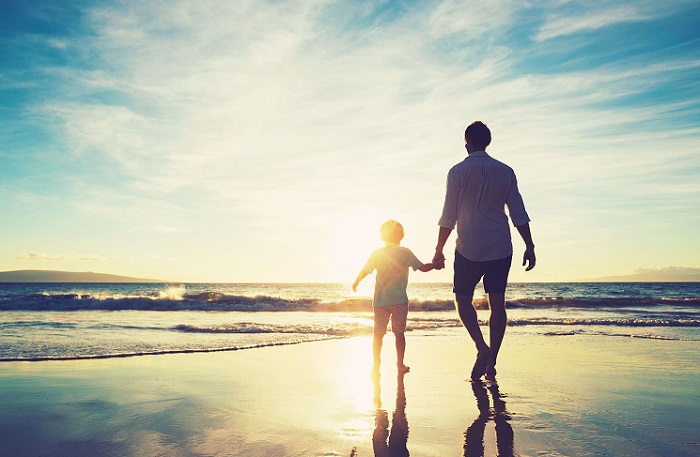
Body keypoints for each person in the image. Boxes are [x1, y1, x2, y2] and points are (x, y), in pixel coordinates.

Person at [433, 121, 535, 382]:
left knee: (462, 300)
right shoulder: (505, 171)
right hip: (500, 246)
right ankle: (492, 363)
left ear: (467, 141)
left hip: (468, 246)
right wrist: (529, 245)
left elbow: (449, 214)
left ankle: (481, 347)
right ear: (487, 142)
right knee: (497, 304)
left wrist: (439, 249)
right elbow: (518, 212)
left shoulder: (457, 171)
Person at [353, 219, 435, 378]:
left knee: (378, 334)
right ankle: (400, 364)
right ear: (400, 236)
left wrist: (356, 282)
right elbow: (422, 267)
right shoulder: (405, 252)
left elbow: (366, 270)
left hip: (381, 301)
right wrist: (435, 264)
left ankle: (376, 365)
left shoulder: (377, 253)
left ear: (382, 235)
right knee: (399, 334)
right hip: (399, 301)